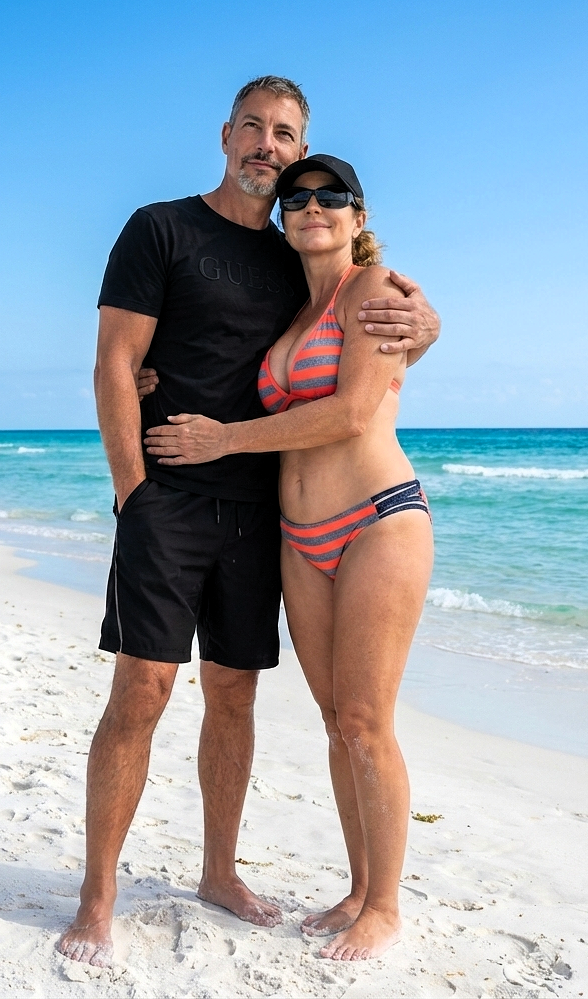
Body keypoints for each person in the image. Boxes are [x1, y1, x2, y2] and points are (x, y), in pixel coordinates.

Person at [58, 76, 439, 968]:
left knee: (240, 695)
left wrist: (427, 322)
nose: (273, 152)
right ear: (226, 134)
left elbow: (366, 357)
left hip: (271, 514)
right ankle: (96, 895)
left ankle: (224, 872)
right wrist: (132, 492)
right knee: (144, 691)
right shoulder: (161, 228)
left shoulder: (314, 264)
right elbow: (118, 363)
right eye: (257, 131)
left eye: (289, 139)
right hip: (174, 502)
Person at [143, 155, 434, 961]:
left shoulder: (375, 294)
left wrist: (222, 440)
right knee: (336, 723)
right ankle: (356, 883)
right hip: (300, 540)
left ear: (356, 215)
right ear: (283, 216)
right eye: (298, 197)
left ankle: (384, 905)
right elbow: (229, 361)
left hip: (376, 520)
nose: (312, 206)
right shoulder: (290, 311)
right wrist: (152, 375)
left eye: (329, 196)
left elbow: (348, 411)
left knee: (368, 722)